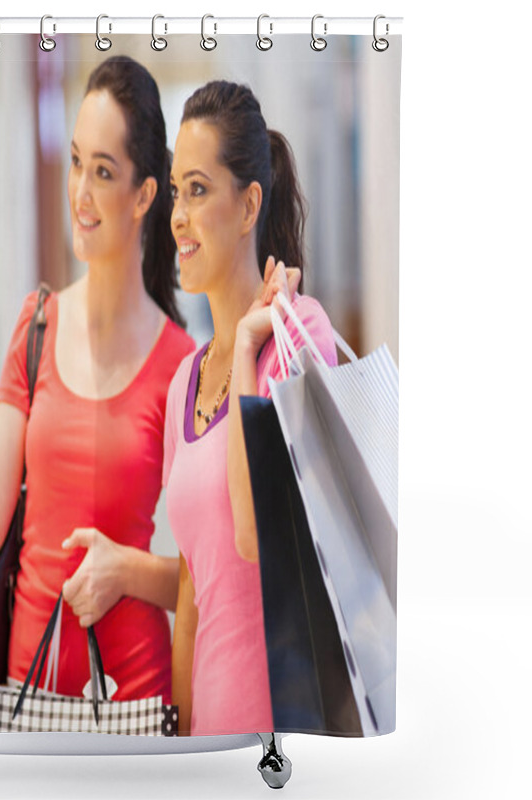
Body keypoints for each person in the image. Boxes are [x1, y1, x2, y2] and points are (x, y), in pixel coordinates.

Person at [0, 56, 194, 702]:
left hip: (134, 697)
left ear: (145, 195)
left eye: (103, 172)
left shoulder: (181, 362)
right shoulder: (35, 324)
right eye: (76, 163)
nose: (80, 193)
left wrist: (126, 569)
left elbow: (211, 579)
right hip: (26, 692)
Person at [164, 81, 338, 735]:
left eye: (199, 190)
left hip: (284, 735)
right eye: (176, 190)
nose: (177, 214)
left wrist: (245, 353)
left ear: (248, 206)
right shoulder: (184, 378)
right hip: (208, 734)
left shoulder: (303, 336)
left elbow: (251, 532)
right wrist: (178, 747)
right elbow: (192, 595)